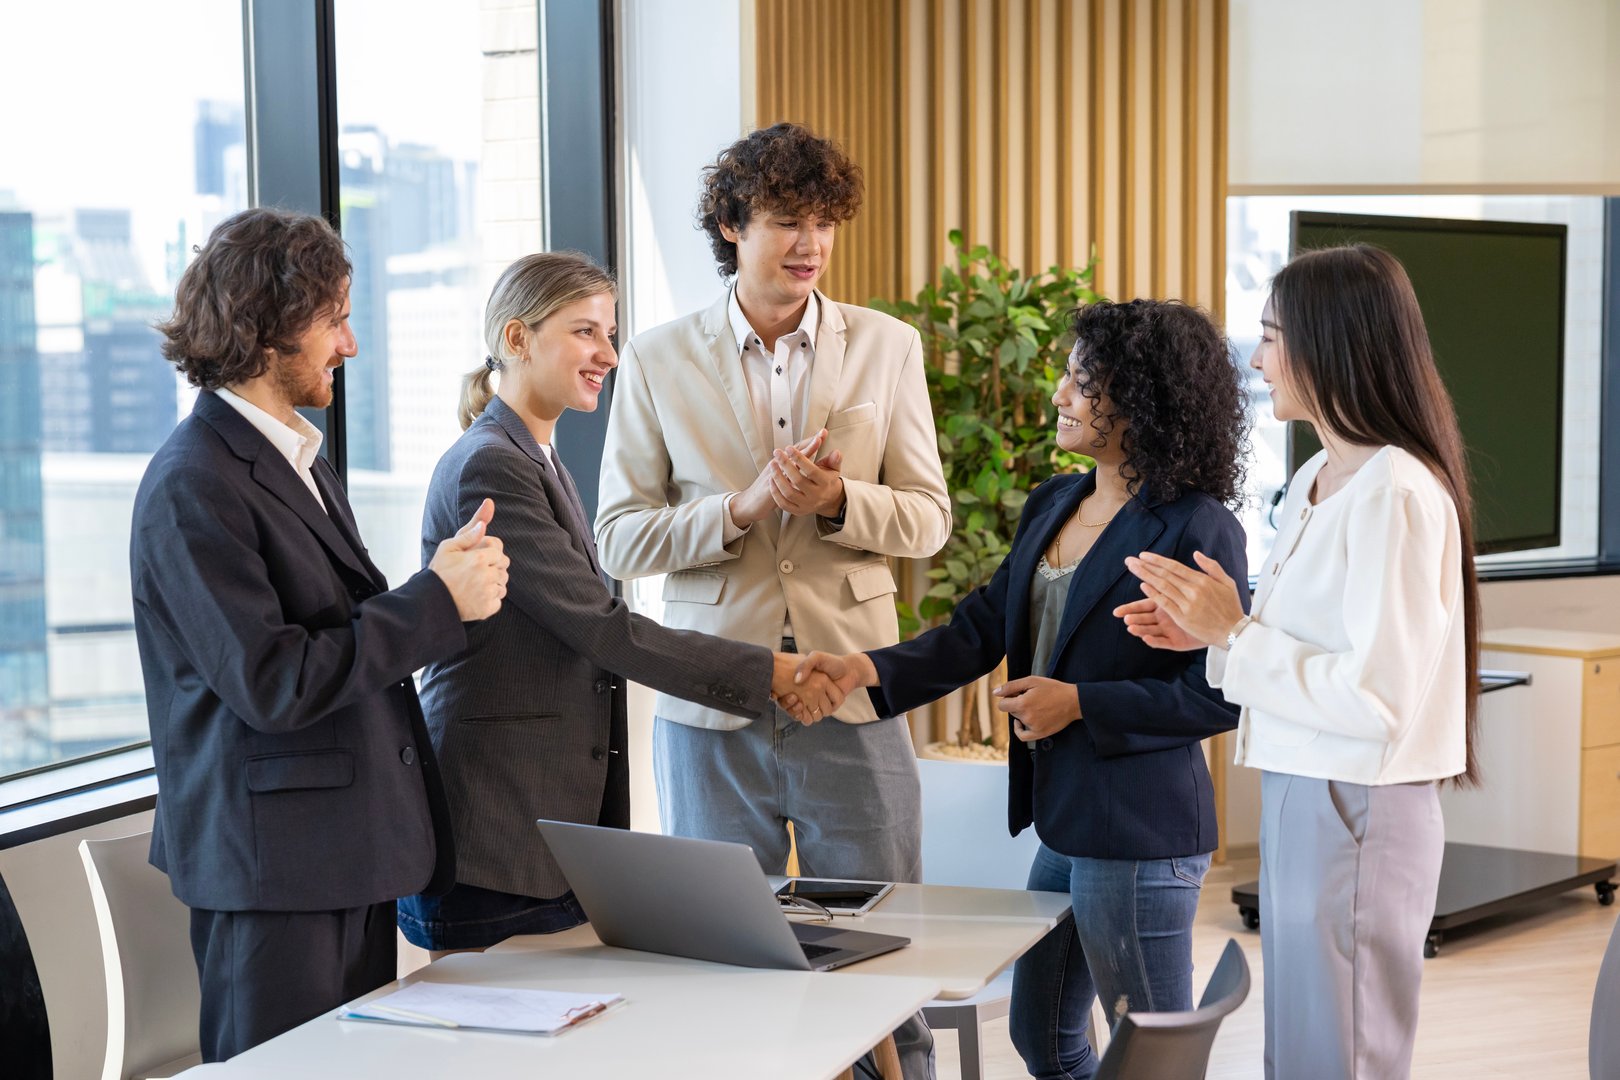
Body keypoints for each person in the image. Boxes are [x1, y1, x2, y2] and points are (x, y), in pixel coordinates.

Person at [794, 298, 1251, 1079]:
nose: (1060, 395)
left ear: (1141, 400)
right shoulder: (1054, 502)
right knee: (1042, 1034)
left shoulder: (1198, 526)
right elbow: (982, 625)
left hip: (1141, 831)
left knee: (1152, 1058)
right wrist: (870, 669)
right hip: (1066, 821)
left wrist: (1080, 705)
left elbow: (1220, 693)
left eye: (1083, 382)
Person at [593, 122, 951, 1077]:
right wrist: (740, 508)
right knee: (722, 966)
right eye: (788, 220)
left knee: (885, 957)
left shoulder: (889, 346)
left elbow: (929, 520)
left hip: (850, 691)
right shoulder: (658, 358)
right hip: (712, 700)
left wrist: (839, 500)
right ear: (730, 225)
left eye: (825, 223)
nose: (811, 243)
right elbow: (618, 538)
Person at [131, 207, 511, 1060]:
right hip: (277, 871)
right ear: (268, 326)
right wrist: (437, 602)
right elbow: (274, 681)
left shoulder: (295, 460)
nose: (351, 343)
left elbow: (331, 633)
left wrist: (439, 588)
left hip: (343, 853)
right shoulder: (193, 483)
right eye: (334, 319)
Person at [397, 252, 841, 953]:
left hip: (536, 814)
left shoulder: (533, 455)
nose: (608, 354)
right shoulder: (492, 462)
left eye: (609, 333)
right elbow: (598, 627)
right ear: (517, 338)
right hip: (496, 821)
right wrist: (769, 672)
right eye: (585, 332)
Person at [1120, 244, 1479, 1079]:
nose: (1256, 362)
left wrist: (1237, 636)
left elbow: (1377, 700)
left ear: (1330, 344)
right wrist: (1212, 635)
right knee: (1302, 1047)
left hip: (1355, 800)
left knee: (1342, 1049)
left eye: (1272, 338)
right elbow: (1307, 642)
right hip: (1301, 784)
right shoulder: (1322, 473)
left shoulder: (1394, 492)